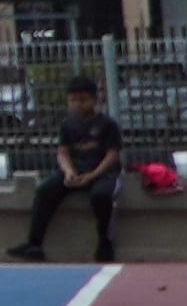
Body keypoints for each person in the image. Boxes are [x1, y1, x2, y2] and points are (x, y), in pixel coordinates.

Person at [18, 75, 130, 264]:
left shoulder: (107, 125)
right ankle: (34, 244)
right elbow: (63, 152)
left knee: (101, 196)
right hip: (75, 173)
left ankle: (105, 243)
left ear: (94, 100)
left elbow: (112, 156)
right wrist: (69, 171)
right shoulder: (67, 125)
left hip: (102, 174)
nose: (78, 104)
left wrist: (92, 175)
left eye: (83, 100)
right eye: (73, 100)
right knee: (45, 190)